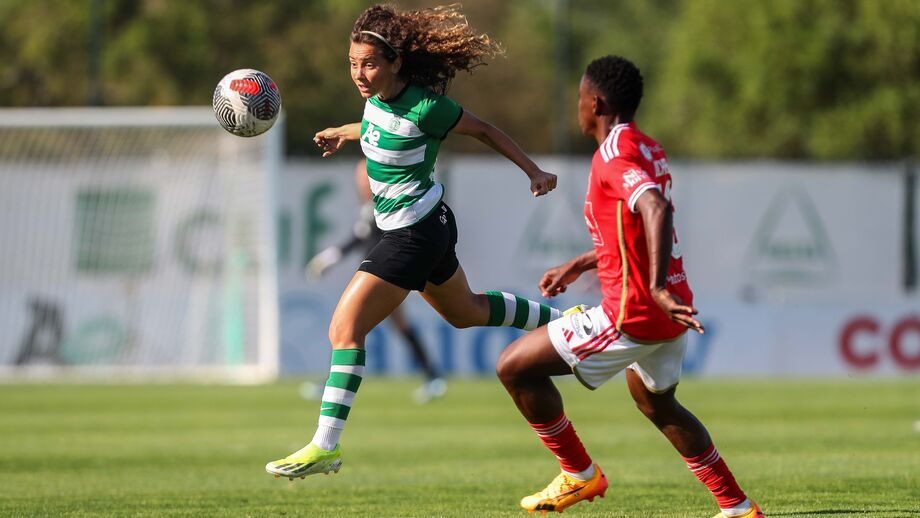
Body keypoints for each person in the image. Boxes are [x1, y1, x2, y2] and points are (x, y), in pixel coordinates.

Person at [266, 4, 563, 480]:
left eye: (369, 64)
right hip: (427, 225)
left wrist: (534, 171)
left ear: (396, 62)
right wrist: (344, 133)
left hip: (413, 234)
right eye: (352, 63)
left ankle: (324, 445)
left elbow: (484, 130)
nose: (359, 73)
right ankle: (570, 323)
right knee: (466, 312)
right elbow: (377, 126)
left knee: (344, 329)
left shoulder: (427, 108)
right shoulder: (377, 99)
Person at [495, 55, 764, 517]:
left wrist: (654, 288)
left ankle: (579, 474)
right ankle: (737, 508)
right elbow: (634, 229)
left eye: (580, 98)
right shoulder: (647, 147)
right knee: (658, 404)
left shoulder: (613, 154)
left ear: (596, 103)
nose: (577, 106)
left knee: (514, 367)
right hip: (669, 307)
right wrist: (581, 263)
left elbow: (655, 208)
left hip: (632, 312)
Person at [305, 159, 447, 404]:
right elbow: (357, 238)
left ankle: (332, 383)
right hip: (379, 276)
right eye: (358, 178)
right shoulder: (369, 208)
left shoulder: (387, 206)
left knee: (348, 325)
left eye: (364, 177)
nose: (361, 182)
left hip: (383, 277)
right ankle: (433, 377)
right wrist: (330, 257)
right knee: (382, 326)